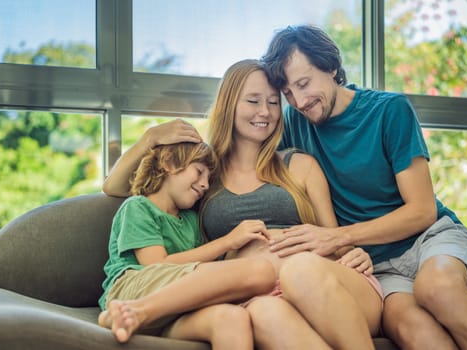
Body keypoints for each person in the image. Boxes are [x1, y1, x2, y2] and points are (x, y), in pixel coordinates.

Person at [103, 59, 383, 349]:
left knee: (299, 270)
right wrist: (150, 138)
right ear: (229, 105)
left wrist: (354, 252)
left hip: (326, 287)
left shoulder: (300, 165)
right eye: (253, 101)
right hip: (259, 298)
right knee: (263, 313)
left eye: (274, 103)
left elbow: (336, 240)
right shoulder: (204, 175)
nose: (265, 112)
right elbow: (117, 187)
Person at [260, 24, 467, 349]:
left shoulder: (389, 111)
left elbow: (422, 211)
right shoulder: (295, 124)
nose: (298, 101)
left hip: (431, 239)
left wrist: (338, 236)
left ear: (330, 66)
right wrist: (161, 137)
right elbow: (234, 149)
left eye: (303, 83)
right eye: (287, 93)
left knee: (436, 289)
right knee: (413, 329)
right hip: (379, 269)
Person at [98, 141, 279, 349]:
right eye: (199, 171)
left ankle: (133, 314)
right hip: (133, 288)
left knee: (231, 318)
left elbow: (202, 273)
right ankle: (132, 310)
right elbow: (156, 264)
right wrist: (228, 241)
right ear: (169, 163)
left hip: (171, 312)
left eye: (209, 179)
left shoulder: (191, 220)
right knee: (260, 270)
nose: (205, 185)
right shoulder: (139, 206)